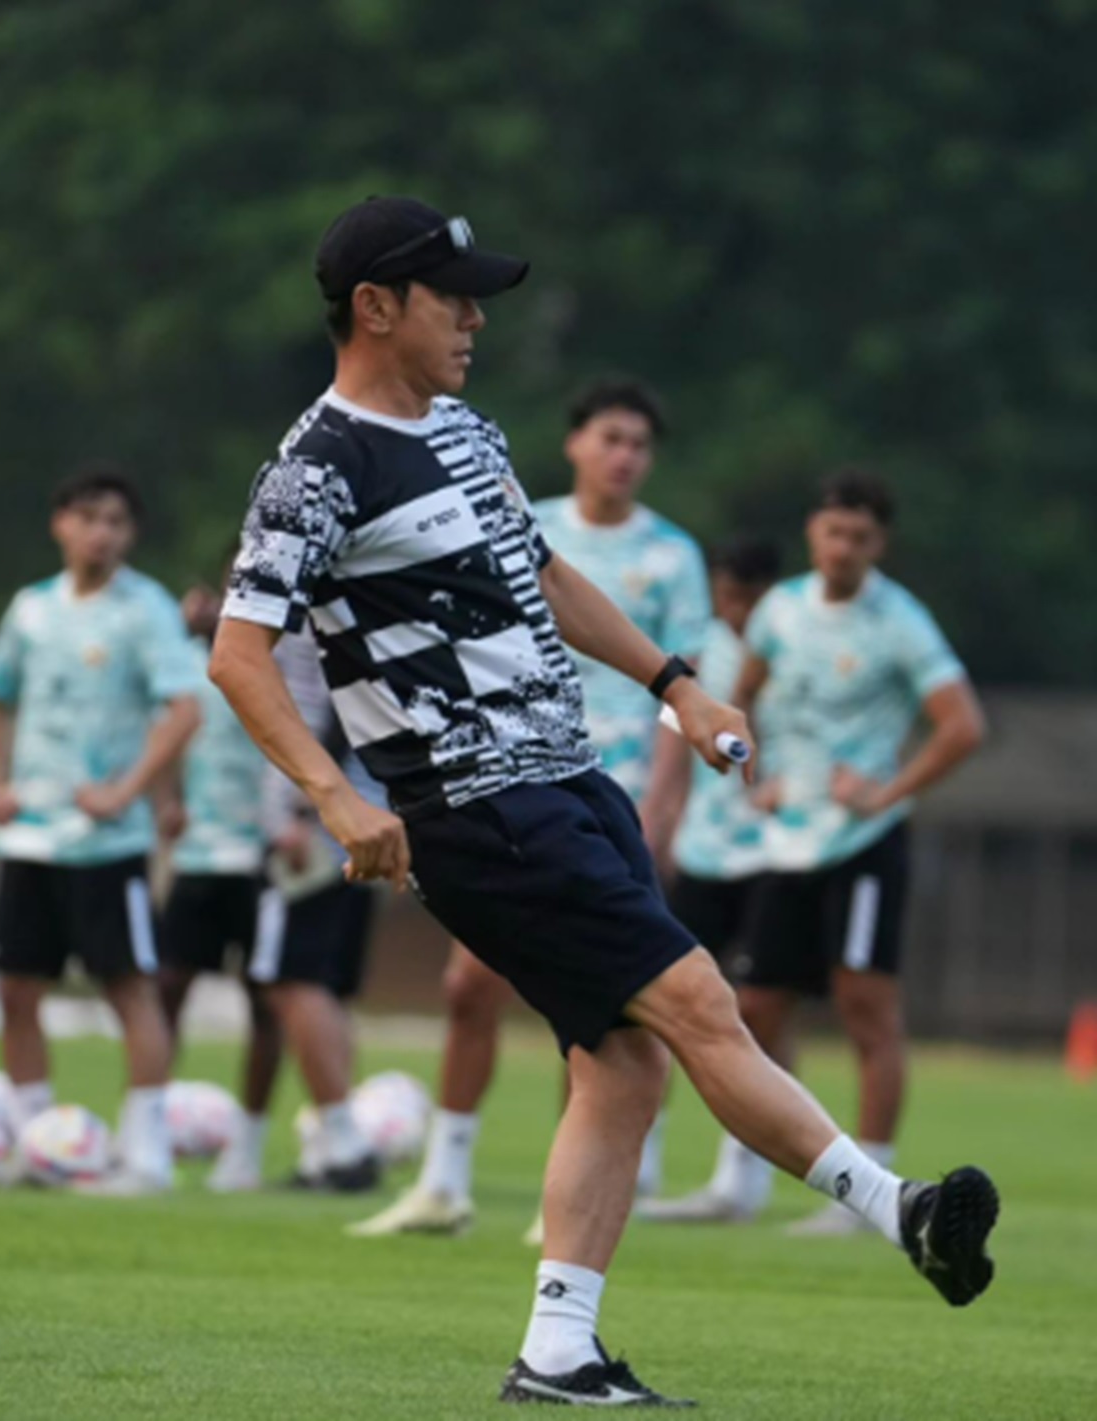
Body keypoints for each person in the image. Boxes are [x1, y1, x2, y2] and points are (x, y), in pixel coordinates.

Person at [208, 197, 1000, 1407]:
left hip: (573, 781)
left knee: (623, 1065)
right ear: (374, 308)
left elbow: (542, 571)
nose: (475, 315)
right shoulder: (317, 469)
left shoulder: (465, 429)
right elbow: (238, 653)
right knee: (695, 996)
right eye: (451, 295)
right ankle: (905, 1211)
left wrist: (674, 684)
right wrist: (334, 795)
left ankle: (559, 1353)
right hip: (474, 806)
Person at [350, 377, 711, 1240]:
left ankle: (577, 1186)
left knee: (606, 1000)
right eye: (611, 437)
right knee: (470, 985)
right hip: (511, 776)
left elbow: (681, 679)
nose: (625, 456)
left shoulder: (672, 555)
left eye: (640, 444)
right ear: (576, 443)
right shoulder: (515, 509)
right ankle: (444, 1176)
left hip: (610, 786)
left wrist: (664, 801)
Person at [649, 470, 987, 1235]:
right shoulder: (781, 609)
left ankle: (876, 1188)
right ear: (814, 533)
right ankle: (739, 1181)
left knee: (867, 1006)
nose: (843, 549)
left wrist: (889, 789)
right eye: (834, 533)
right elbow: (748, 694)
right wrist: (755, 775)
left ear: (879, 545)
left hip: (862, 843)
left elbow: (962, 724)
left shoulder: (899, 620)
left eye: (861, 538)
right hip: (788, 840)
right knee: (754, 1008)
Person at [0, 463, 201, 1194]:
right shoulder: (31, 609)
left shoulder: (147, 610)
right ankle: (35, 1140)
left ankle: (147, 1153)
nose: (102, 533)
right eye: (89, 517)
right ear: (60, 523)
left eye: (117, 522)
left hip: (107, 842)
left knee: (129, 988)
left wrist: (126, 790)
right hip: (30, 836)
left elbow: (184, 709)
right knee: (16, 990)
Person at [158, 588, 379, 1191]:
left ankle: (344, 1142)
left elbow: (337, 702)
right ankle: (336, 1139)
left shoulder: (321, 605)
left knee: (290, 981)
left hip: (310, 825)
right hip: (350, 817)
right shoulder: (347, 597)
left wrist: (306, 808)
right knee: (319, 984)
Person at [637, 534, 781, 1222]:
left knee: (756, 1009)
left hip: (771, 851)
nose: (737, 610)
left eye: (749, 598)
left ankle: (743, 1175)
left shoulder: (789, 644)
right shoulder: (691, 660)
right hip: (702, 852)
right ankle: (641, 1162)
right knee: (661, 1003)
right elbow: (671, 754)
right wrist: (654, 826)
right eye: (728, 595)